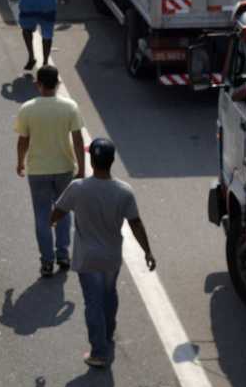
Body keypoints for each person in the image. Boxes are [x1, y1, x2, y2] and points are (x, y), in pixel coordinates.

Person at [51, 138, 155, 369]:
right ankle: (108, 333)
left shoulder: (78, 188)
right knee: (109, 294)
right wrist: (147, 251)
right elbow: (136, 223)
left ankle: (98, 352)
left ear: (91, 160)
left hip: (87, 258)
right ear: (112, 161)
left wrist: (50, 222)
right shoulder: (124, 191)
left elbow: (58, 212)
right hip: (111, 257)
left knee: (93, 303)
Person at [15, 64, 86, 278]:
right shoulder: (70, 107)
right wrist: (82, 168)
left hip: (37, 171)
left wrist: (20, 163)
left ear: (38, 84)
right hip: (64, 169)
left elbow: (23, 140)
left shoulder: (27, 108)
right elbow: (78, 139)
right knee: (63, 212)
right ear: (58, 84)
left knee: (42, 216)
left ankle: (46, 262)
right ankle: (63, 255)